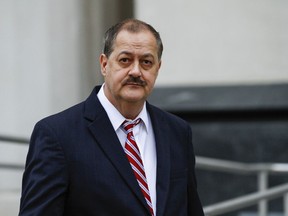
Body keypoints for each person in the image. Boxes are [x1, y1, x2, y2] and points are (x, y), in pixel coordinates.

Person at [19, 19, 204, 216]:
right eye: (125, 60)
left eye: (146, 62)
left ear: (158, 68)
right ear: (104, 64)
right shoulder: (57, 135)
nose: (135, 71)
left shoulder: (177, 132)